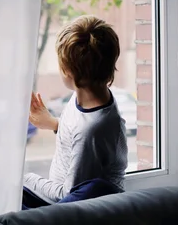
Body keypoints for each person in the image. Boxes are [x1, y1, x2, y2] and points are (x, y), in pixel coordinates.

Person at [23, 15, 128, 209]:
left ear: (68, 72)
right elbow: (78, 128)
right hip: (63, 194)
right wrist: (54, 123)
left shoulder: (92, 132)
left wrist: (27, 180)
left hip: (74, 206)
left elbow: (71, 196)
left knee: (14, 190)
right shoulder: (91, 92)